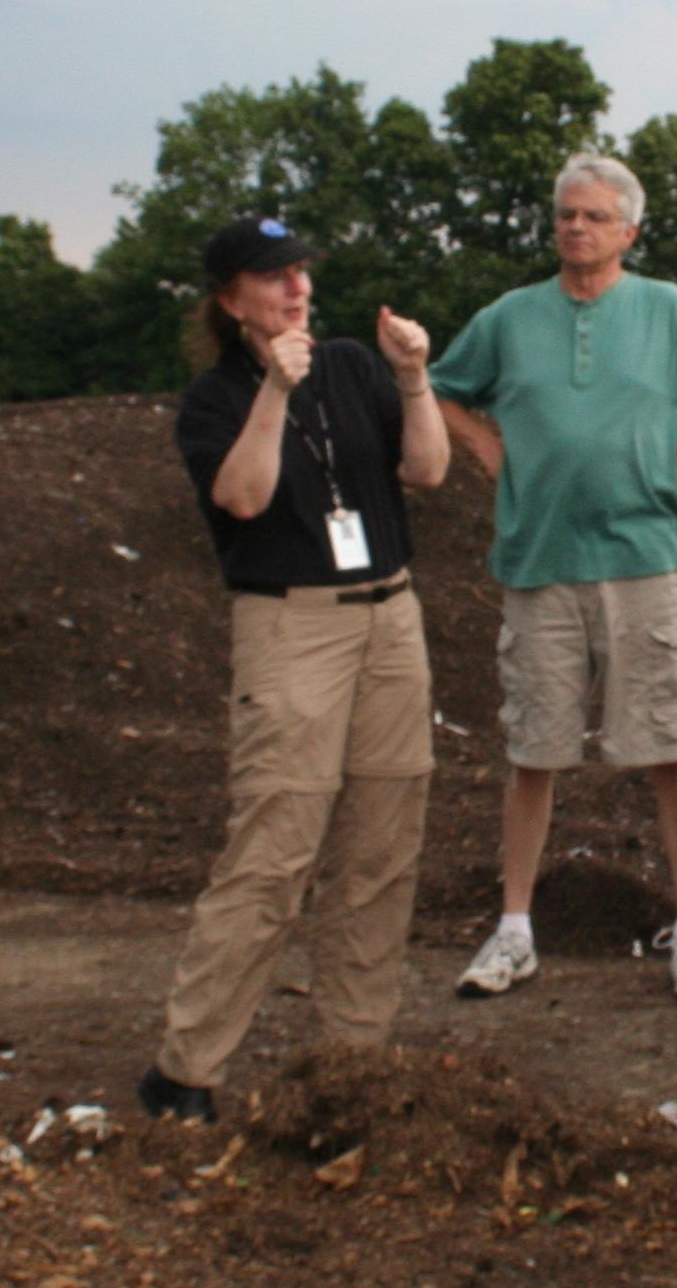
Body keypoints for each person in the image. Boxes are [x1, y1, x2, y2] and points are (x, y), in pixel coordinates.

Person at [428, 154, 677, 1003]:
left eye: (594, 217)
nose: (575, 228)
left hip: (647, 559)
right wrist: (479, 441)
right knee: (532, 751)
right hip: (540, 560)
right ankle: (515, 930)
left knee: (673, 746)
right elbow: (435, 385)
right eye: (565, 214)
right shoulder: (509, 319)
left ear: (628, 231)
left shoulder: (673, 312)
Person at [139, 217, 450, 1126]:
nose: (296, 288)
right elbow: (242, 497)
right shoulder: (213, 399)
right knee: (275, 854)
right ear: (231, 300)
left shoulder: (355, 366)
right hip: (291, 628)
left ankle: (352, 1061)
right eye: (273, 278)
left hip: (391, 618)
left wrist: (414, 377)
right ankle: (185, 1071)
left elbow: (426, 469)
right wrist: (275, 388)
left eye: (301, 272)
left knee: (381, 850)